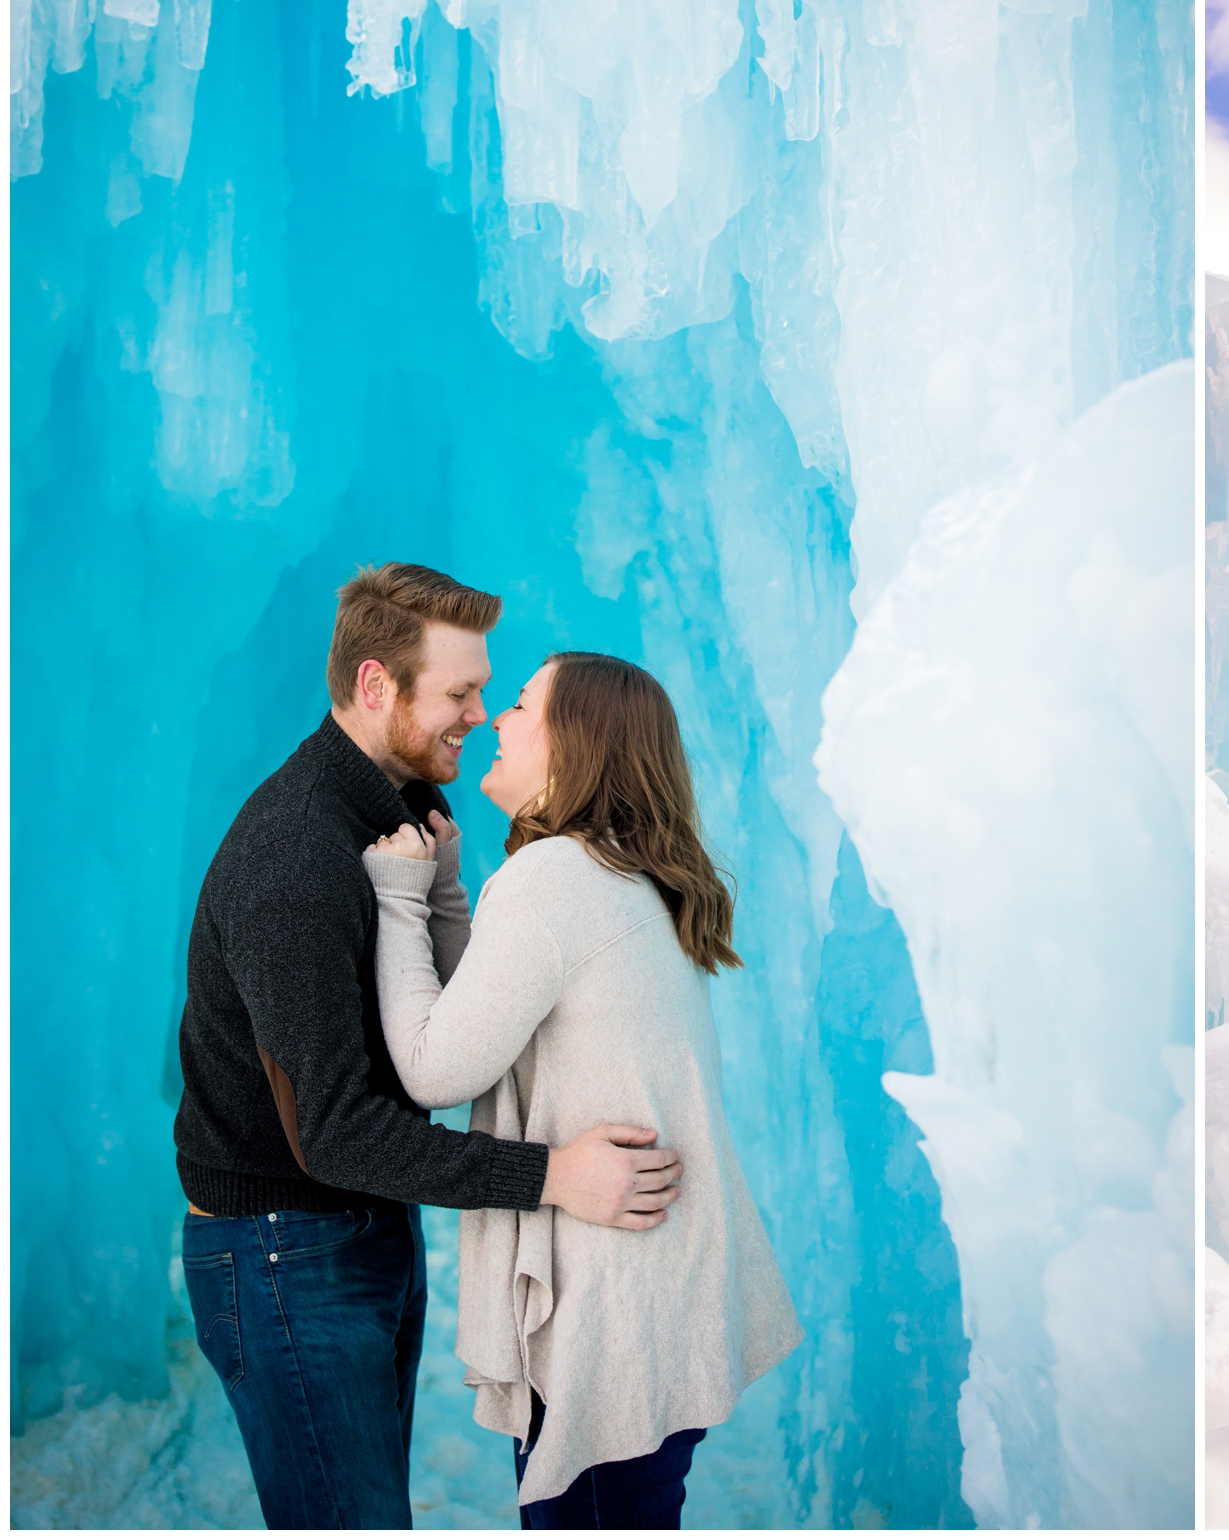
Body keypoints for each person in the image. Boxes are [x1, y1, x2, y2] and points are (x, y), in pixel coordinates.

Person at [174, 564, 686, 1529]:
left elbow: (451, 1029)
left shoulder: (399, 822)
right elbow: (332, 1131)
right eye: (459, 693)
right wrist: (551, 1177)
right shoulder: (296, 857)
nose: (479, 714)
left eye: (490, 692)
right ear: (377, 687)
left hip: (359, 1227)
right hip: (282, 1247)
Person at [363, 651, 802, 1527]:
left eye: (522, 705)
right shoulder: (625, 878)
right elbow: (495, 1016)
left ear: (576, 744)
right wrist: (449, 894)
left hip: (607, 1322)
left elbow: (436, 1068)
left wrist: (401, 899)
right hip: (661, 1301)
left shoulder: (553, 877)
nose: (494, 720)